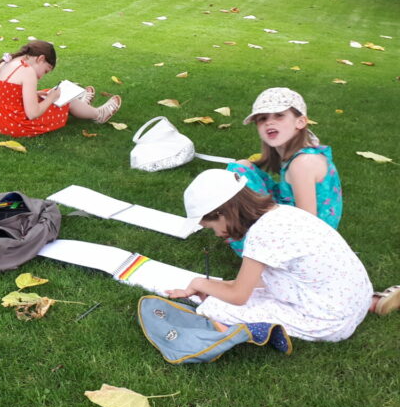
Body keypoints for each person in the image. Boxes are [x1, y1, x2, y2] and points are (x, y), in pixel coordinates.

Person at [166, 169, 398, 343]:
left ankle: (235, 332)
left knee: (214, 307)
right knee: (237, 294)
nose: (217, 234)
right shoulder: (284, 213)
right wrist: (216, 286)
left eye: (211, 227)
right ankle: (374, 304)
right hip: (358, 299)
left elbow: (238, 296)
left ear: (221, 212)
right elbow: (256, 282)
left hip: (331, 322)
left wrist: (199, 283)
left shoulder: (261, 235)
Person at [224, 87, 342, 256]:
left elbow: (308, 223)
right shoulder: (296, 154)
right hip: (292, 216)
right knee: (241, 167)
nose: (269, 122)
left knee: (237, 191)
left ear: (300, 122)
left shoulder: (302, 164)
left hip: (305, 242)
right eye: (262, 118)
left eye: (279, 115)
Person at [0, 41, 122, 137]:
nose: (41, 76)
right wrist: (51, 98)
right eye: (45, 70)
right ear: (40, 59)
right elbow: (32, 114)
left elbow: (6, 94)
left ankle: (82, 107)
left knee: (47, 93)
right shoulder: (27, 71)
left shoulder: (7, 62)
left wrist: (38, 94)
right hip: (17, 125)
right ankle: (98, 114)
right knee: (63, 99)